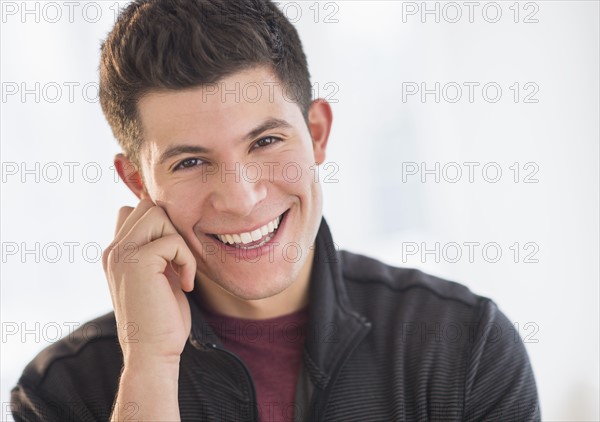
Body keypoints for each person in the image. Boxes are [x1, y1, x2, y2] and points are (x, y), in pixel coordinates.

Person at [10, 0, 540, 421]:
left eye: (264, 142)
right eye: (190, 161)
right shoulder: (62, 392)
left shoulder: (465, 344)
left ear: (316, 134)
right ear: (138, 184)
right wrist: (149, 362)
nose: (240, 198)